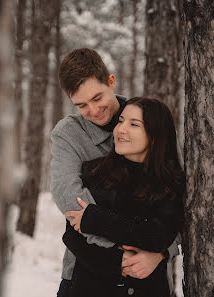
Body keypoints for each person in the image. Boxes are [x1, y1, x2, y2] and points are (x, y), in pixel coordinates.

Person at [50, 48, 181, 297]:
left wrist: (162, 251)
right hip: (88, 272)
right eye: (81, 105)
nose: (94, 110)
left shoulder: (147, 118)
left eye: (97, 98)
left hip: (148, 276)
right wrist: (121, 253)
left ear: (111, 81)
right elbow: (71, 202)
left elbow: (176, 205)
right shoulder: (69, 135)